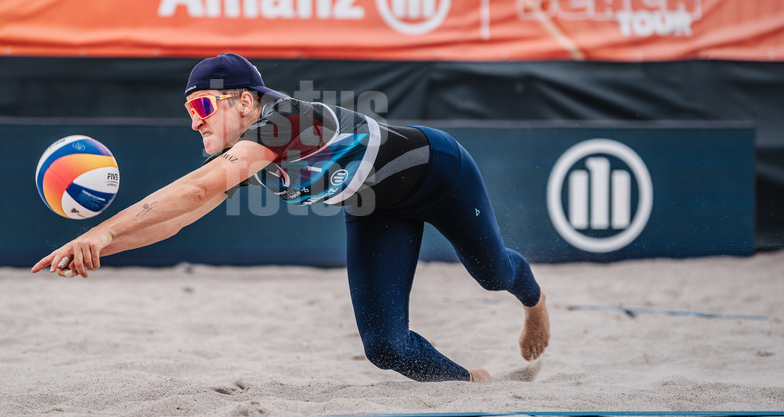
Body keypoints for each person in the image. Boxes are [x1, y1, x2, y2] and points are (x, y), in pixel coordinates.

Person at [33, 53, 551, 384]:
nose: (195, 122)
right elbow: (175, 221)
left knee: (492, 274)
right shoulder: (243, 149)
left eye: (203, 108)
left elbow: (192, 192)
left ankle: (534, 300)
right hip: (376, 208)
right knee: (386, 349)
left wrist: (100, 229)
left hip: (440, 172)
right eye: (189, 111)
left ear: (241, 100)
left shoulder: (288, 121)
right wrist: (99, 247)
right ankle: (469, 384)